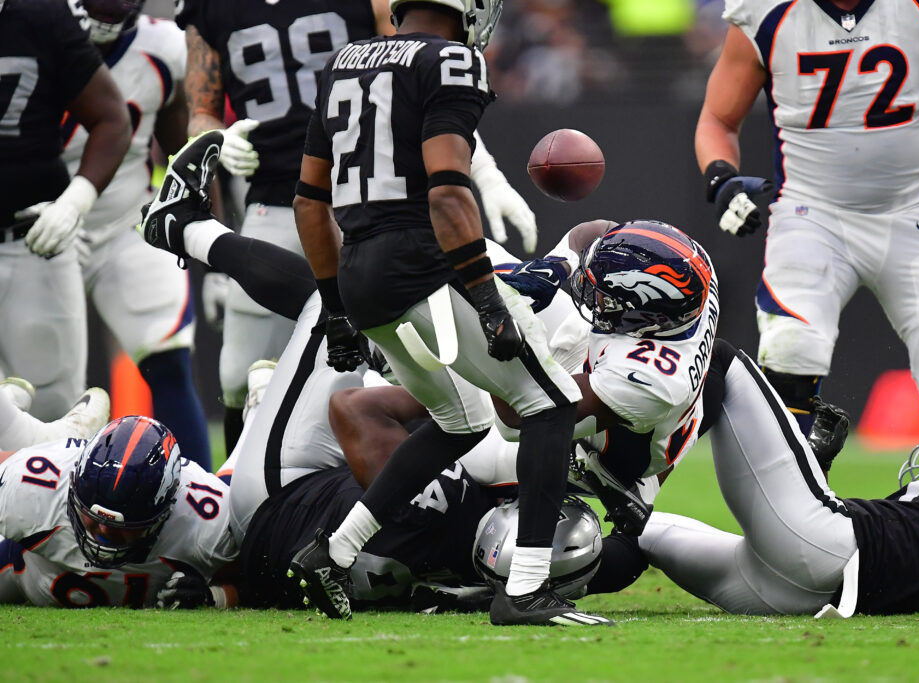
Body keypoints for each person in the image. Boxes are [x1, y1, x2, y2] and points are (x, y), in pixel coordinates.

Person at [274, 0, 614, 627]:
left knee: (460, 419)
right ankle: (528, 589)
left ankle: (332, 550)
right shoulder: (452, 60)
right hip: (427, 268)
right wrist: (487, 299)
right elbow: (449, 189)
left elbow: (308, 200)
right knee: (552, 404)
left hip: (361, 274)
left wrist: (335, 303)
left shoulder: (345, 63)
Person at [174, 0, 536, 454]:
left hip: (368, 208)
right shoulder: (209, 9)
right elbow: (201, 110)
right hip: (274, 199)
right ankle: (240, 507)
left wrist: (485, 173)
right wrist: (216, 139)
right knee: (235, 378)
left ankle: (405, 495)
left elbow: (415, 78)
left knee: (381, 369)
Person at [695, 0, 919, 432]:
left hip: (912, 211)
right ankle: (793, 489)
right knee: (789, 352)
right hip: (810, 215)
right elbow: (717, 119)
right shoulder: (767, 12)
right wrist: (722, 178)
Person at [619, 281, 919, 615]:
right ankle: (559, 573)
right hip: (797, 593)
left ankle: (640, 483)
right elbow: (904, 556)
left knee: (720, 359)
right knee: (638, 534)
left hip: (823, 549)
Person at [62, 0, 211, 470]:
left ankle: (194, 501)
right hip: (40, 223)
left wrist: (211, 240)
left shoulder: (162, 45)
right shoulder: (32, 31)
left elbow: (182, 150)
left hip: (127, 220)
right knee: (46, 390)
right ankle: (41, 520)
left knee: (168, 360)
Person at [0, 0, 130, 420]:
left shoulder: (41, 15)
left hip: (31, 242)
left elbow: (113, 118)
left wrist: (75, 203)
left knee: (53, 409)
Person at [0, 415, 237, 608]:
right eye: (92, 516)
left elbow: (263, 579)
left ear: (165, 513)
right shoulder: (28, 487)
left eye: (122, 526)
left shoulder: (209, 522)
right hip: (23, 572)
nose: (103, 530)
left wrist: (215, 596)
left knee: (246, 493)